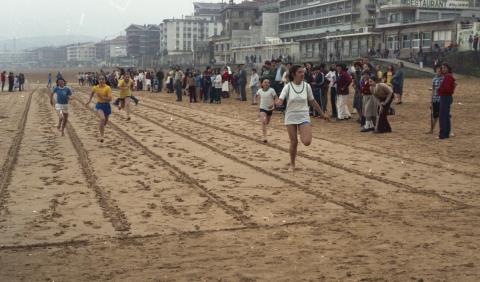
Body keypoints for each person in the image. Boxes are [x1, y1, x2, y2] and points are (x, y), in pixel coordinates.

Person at [276, 65, 329, 171]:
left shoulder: (307, 86)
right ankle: (292, 164)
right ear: (293, 74)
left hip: (304, 115)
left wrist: (322, 114)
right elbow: (280, 100)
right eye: (300, 72)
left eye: (303, 72)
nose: (302, 74)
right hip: (291, 116)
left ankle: (302, 130)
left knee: (307, 141)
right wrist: (277, 103)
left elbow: (312, 101)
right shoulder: (288, 87)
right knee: (293, 142)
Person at [85, 76, 113, 143]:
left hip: (107, 105)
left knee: (105, 121)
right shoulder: (95, 87)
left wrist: (102, 97)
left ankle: (101, 128)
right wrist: (89, 101)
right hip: (99, 105)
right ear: (98, 80)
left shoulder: (108, 88)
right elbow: (92, 93)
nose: (101, 80)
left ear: (105, 80)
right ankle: (102, 136)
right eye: (100, 79)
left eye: (102, 79)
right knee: (102, 119)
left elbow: (110, 99)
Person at [438, 63, 455, 139]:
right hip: (447, 97)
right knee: (446, 116)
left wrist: (440, 89)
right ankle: (446, 133)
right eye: (442, 68)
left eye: (444, 68)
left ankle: (443, 134)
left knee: (443, 116)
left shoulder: (448, 77)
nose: (443, 69)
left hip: (445, 97)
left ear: (448, 68)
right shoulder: (449, 76)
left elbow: (447, 89)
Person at [427, 65, 443, 134]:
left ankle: (442, 130)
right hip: (435, 99)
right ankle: (431, 130)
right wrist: (431, 101)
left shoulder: (444, 78)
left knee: (442, 116)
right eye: (437, 70)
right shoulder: (434, 79)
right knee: (435, 116)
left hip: (441, 99)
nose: (438, 72)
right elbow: (433, 90)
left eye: (440, 70)